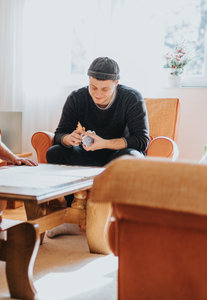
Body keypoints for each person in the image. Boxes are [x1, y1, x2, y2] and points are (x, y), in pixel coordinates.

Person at [46, 56, 149, 237]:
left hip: (118, 155)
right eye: (93, 87)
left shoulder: (131, 98)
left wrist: (105, 143)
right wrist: (69, 138)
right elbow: (59, 135)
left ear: (116, 83)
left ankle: (111, 220)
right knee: (55, 153)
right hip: (89, 155)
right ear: (88, 81)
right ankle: (72, 218)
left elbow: (142, 140)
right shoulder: (77, 97)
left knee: (132, 159)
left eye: (105, 89)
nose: (98, 94)